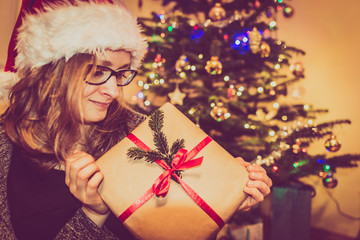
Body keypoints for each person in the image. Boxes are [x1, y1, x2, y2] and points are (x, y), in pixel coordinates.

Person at [0, 0, 272, 239]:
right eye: (97, 71)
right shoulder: (6, 148)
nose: (114, 90)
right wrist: (93, 214)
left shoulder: (146, 134)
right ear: (51, 72)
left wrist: (226, 197)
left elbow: (177, 230)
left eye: (121, 73)